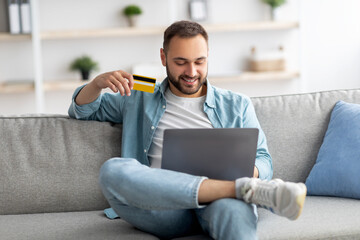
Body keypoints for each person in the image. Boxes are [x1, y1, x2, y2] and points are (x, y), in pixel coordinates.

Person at [68, 20, 306, 240]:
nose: (191, 72)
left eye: (199, 62)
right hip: (162, 206)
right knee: (112, 170)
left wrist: (249, 172)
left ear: (208, 56)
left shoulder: (236, 103)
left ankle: (237, 189)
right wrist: (97, 83)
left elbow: (264, 160)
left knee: (233, 210)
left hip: (221, 202)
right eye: (180, 62)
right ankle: (241, 190)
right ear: (163, 57)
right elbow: (83, 110)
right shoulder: (142, 89)